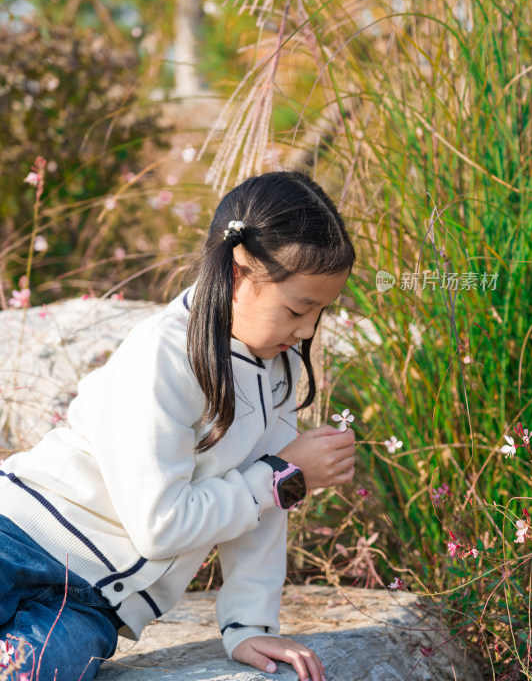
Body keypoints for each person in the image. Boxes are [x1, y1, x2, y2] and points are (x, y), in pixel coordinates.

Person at [0, 170, 356, 681]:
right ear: (238, 274)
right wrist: (280, 476)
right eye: (298, 307)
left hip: (93, 605)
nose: (306, 330)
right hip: (19, 538)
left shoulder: (279, 369)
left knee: (31, 673)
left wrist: (249, 626)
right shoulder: (164, 356)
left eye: (320, 312)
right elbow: (161, 527)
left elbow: (265, 502)